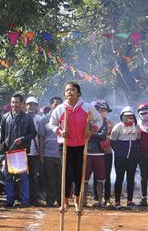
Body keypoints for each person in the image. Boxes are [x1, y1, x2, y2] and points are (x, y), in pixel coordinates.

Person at [47, 82, 102, 210]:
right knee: (67, 173)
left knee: (79, 174)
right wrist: (60, 132)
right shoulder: (60, 108)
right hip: (65, 145)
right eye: (67, 90)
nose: (69, 92)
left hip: (81, 144)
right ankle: (65, 201)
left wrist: (92, 130)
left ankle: (77, 200)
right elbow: (51, 124)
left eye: (72, 90)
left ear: (79, 93)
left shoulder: (87, 107)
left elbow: (99, 120)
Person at [0, 93, 37, 207]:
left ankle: (24, 201)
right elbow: (2, 133)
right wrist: (0, 144)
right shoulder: (5, 117)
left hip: (20, 151)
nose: (14, 105)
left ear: (22, 104)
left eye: (16, 102)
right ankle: (9, 200)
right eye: (12, 102)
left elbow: (33, 133)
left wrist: (23, 138)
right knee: (8, 176)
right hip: (8, 151)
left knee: (23, 177)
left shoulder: (27, 118)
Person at [109, 106, 140, 209]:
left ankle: (130, 201)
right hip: (120, 158)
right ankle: (117, 201)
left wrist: (134, 152)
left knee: (131, 179)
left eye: (131, 116)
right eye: (126, 116)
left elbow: (138, 140)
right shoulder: (117, 127)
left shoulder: (137, 127)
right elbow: (112, 141)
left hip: (133, 158)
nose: (128, 118)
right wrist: (118, 152)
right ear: (122, 117)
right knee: (119, 178)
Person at [88, 99, 112, 207]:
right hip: (92, 152)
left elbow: (105, 136)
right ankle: (97, 197)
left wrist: (89, 135)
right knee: (95, 176)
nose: (101, 112)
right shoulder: (89, 122)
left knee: (105, 176)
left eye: (104, 110)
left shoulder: (109, 123)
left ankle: (106, 198)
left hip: (106, 152)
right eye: (99, 109)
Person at [37, 102, 61, 207]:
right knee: (49, 178)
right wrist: (41, 154)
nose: (57, 106)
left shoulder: (66, 118)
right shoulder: (44, 120)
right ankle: (50, 200)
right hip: (48, 154)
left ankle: (61, 200)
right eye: (55, 104)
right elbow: (41, 138)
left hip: (62, 154)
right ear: (51, 105)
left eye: (59, 104)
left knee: (61, 179)